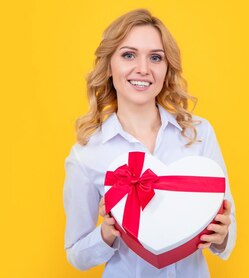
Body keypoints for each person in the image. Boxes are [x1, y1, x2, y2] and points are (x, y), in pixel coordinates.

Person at [63, 9, 236, 277]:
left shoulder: (199, 133)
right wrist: (107, 233)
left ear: (167, 69)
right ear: (109, 65)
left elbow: (227, 232)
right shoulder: (87, 155)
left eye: (155, 57)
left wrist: (222, 234)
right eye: (128, 55)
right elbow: (76, 254)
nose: (143, 69)